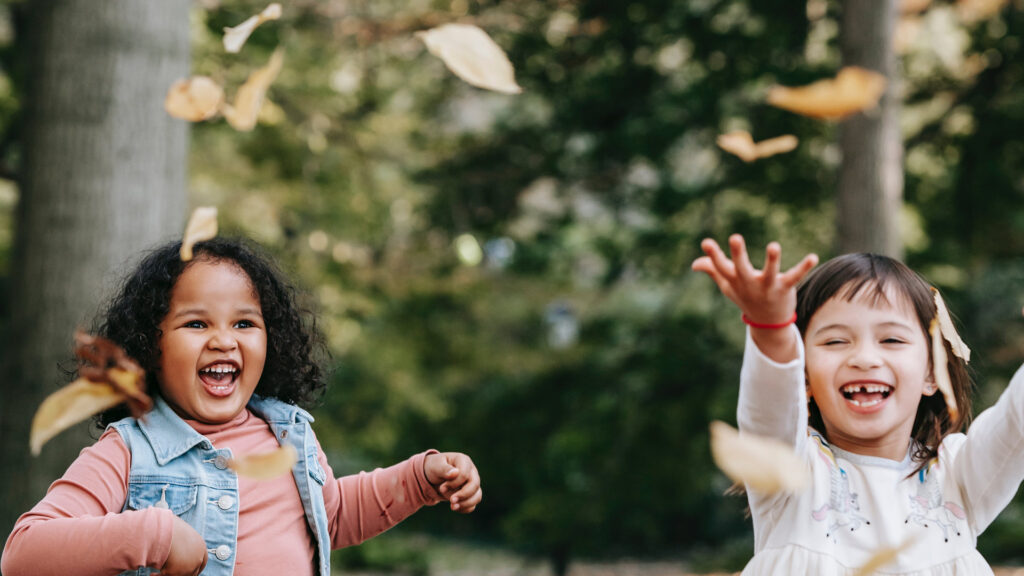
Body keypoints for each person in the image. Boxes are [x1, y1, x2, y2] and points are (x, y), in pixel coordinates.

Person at [2, 237, 482, 576]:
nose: (223, 341)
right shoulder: (128, 451)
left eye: (244, 324)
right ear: (150, 346)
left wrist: (421, 479)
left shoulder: (288, 435)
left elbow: (330, 517)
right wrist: (157, 535)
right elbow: (24, 554)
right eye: (196, 324)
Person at [692, 234, 1024, 575]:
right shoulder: (792, 472)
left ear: (931, 373)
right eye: (836, 340)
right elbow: (770, 407)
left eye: (892, 339)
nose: (864, 358)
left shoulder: (960, 475)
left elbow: (1016, 423)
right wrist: (771, 328)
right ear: (804, 376)